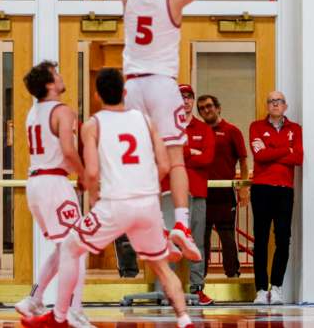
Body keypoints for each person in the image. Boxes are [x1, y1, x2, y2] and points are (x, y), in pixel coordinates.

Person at [22, 68, 194, 328]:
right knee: (161, 267)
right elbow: (165, 164)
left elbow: (91, 172)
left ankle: (60, 316)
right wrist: (148, 186)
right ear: (125, 92)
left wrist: (94, 198)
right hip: (146, 202)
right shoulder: (145, 120)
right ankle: (184, 318)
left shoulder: (92, 124)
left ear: (96, 94)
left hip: (114, 203)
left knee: (70, 246)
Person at [121, 0, 206, 261]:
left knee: (143, 161)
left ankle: (152, 226)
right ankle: (182, 225)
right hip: (160, 84)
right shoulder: (170, 2)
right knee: (175, 160)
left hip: (133, 89)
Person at [14, 61, 93, 328]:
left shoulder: (32, 112)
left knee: (64, 247)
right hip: (53, 183)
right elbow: (69, 152)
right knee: (78, 247)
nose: (61, 77)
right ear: (50, 84)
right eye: (57, 74)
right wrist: (84, 175)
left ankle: (34, 299)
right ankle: (74, 310)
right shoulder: (63, 111)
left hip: (35, 183)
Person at [249, 91, 303, 305]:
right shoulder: (256, 127)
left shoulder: (295, 129)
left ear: (285, 105)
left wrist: (273, 149)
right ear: (267, 105)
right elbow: (259, 156)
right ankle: (261, 290)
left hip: (284, 189)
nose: (275, 104)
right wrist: (286, 150)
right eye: (271, 101)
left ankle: (277, 287)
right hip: (261, 189)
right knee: (260, 240)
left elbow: (298, 157)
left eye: (279, 101)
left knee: (283, 239)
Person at [197, 94, 248, 280]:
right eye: (201, 108)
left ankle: (232, 274)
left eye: (209, 106)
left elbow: (243, 161)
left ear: (218, 108)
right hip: (202, 194)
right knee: (201, 239)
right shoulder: (199, 132)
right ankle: (199, 279)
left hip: (225, 194)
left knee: (227, 238)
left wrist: (244, 188)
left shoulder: (232, 131)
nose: (206, 110)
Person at [177, 84, 215, 305]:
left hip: (197, 192)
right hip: (171, 194)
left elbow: (208, 158)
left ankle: (196, 288)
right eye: (181, 97)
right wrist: (191, 151)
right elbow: (164, 153)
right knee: (171, 242)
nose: (185, 101)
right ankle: (168, 289)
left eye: (189, 97)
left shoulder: (204, 129)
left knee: (197, 242)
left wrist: (182, 154)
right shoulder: (168, 127)